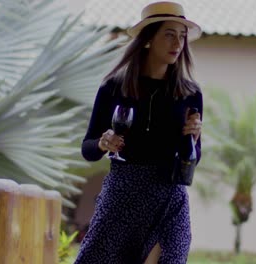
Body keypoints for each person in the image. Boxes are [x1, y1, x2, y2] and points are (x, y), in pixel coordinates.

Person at [74, 1, 203, 263]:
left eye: (182, 36)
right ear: (148, 38)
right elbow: (88, 149)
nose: (177, 43)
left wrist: (194, 138)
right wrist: (103, 142)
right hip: (123, 194)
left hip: (170, 196)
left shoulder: (190, 93)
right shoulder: (114, 87)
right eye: (169, 34)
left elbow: (192, 159)